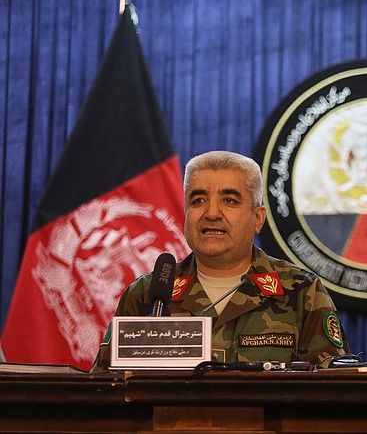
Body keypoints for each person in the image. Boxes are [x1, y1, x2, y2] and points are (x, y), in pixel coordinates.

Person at [92, 150, 348, 370]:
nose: (212, 213)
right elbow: (105, 389)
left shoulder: (301, 291)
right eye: (199, 200)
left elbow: (330, 391)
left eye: (229, 200)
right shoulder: (149, 294)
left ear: (258, 218)